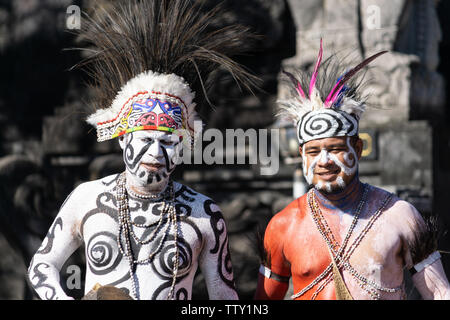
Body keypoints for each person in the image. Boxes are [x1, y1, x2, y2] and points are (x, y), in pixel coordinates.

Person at [27, 0, 259, 300]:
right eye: (146, 139)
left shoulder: (204, 214)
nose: (155, 153)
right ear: (123, 138)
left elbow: (224, 297)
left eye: (167, 142)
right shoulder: (87, 198)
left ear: (181, 147)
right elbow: (42, 265)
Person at [254, 40, 450, 300]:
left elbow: (440, 293)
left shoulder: (399, 216)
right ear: (301, 154)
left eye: (335, 149)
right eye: (313, 152)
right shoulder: (283, 226)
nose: (324, 161)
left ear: (357, 148)